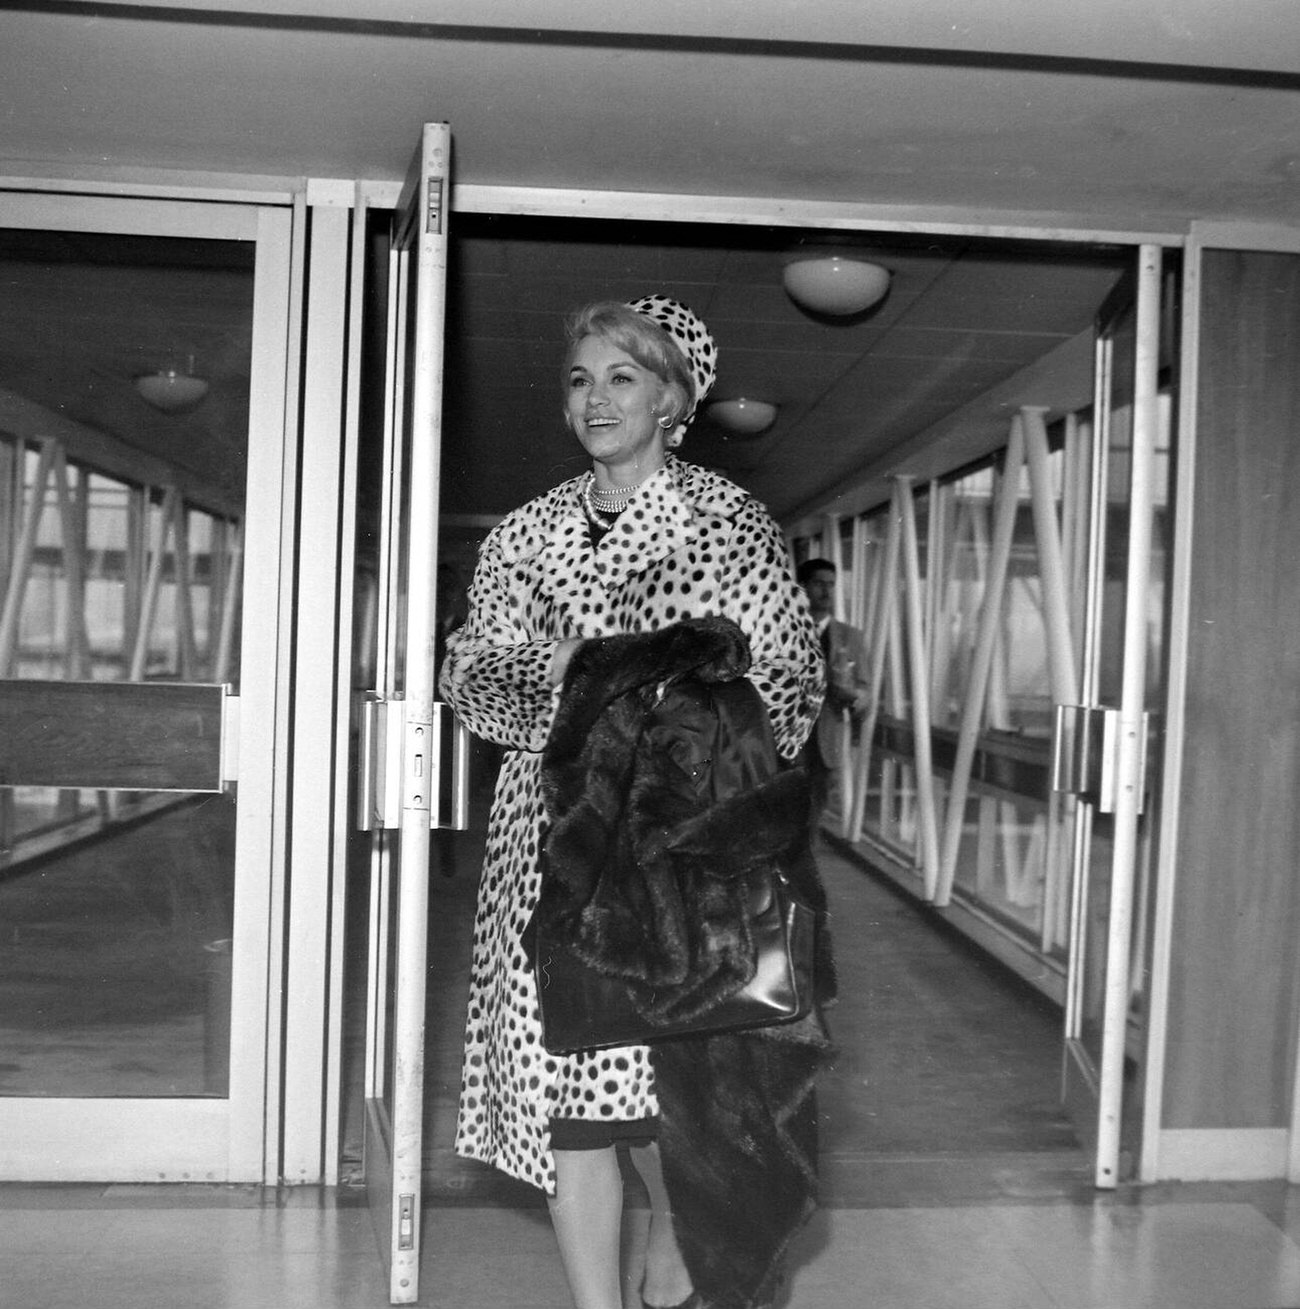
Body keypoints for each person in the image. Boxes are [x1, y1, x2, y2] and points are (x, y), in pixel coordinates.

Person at [438, 295, 825, 1309]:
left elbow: (784, 687)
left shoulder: (731, 526)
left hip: (679, 856)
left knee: (675, 1098)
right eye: (579, 379)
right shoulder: (523, 533)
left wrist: (592, 673)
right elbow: (475, 678)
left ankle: (677, 1231)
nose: (596, 399)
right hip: (549, 857)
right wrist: (625, 674)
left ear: (671, 398)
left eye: (621, 378)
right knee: (571, 1104)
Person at [797, 557, 871, 830]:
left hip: (826, 739)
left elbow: (865, 688)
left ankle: (800, 864)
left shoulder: (851, 637)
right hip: (786, 739)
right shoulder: (783, 631)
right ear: (802, 587)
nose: (827, 591)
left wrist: (853, 695)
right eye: (819, 584)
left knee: (813, 811)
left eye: (831, 585)